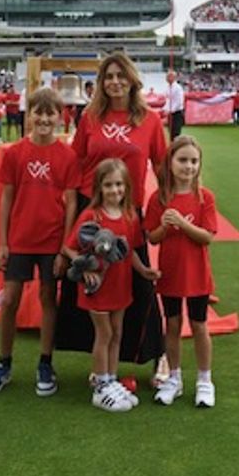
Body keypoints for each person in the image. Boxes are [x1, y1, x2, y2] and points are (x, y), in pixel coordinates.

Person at [57, 53, 167, 371]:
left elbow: (160, 166)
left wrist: (167, 206)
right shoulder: (90, 118)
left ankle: (157, 355)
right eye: (108, 76)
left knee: (141, 285)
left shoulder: (150, 120)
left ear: (132, 79)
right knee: (86, 283)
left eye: (121, 75)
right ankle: (98, 366)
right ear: (102, 83)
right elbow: (75, 160)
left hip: (129, 213)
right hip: (90, 211)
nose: (115, 82)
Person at [0, 88, 79, 398]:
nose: (45, 118)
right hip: (20, 240)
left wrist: (65, 247)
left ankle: (45, 363)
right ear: (29, 115)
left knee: (49, 298)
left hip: (51, 242)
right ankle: (3, 363)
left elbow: (72, 204)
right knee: (9, 300)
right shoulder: (14, 153)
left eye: (51, 113)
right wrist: (3, 243)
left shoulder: (67, 155)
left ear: (60, 117)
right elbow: (6, 198)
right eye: (39, 112)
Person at [63, 159, 159, 412]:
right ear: (99, 188)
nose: (115, 190)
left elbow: (131, 252)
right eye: (109, 185)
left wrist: (144, 270)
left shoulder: (129, 216)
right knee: (104, 334)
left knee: (117, 333)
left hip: (121, 286)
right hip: (98, 289)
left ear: (126, 187)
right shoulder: (91, 216)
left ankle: (111, 379)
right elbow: (69, 248)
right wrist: (85, 271)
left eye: (119, 185)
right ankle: (100, 384)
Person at [146, 136, 218, 408]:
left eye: (194, 161)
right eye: (182, 160)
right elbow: (152, 237)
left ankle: (204, 380)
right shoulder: (159, 197)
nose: (188, 166)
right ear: (170, 162)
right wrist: (165, 227)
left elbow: (207, 237)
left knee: (199, 325)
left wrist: (181, 224)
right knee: (173, 325)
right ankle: (174, 378)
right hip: (171, 273)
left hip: (198, 274)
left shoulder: (204, 197)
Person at [165, 70, 186, 140]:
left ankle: (176, 147)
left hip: (177, 113)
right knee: (171, 132)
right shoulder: (168, 87)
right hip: (171, 113)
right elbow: (168, 100)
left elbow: (179, 101)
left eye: (168, 76)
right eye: (167, 76)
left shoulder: (178, 88)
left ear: (173, 77)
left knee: (176, 132)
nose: (167, 78)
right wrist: (165, 109)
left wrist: (172, 110)